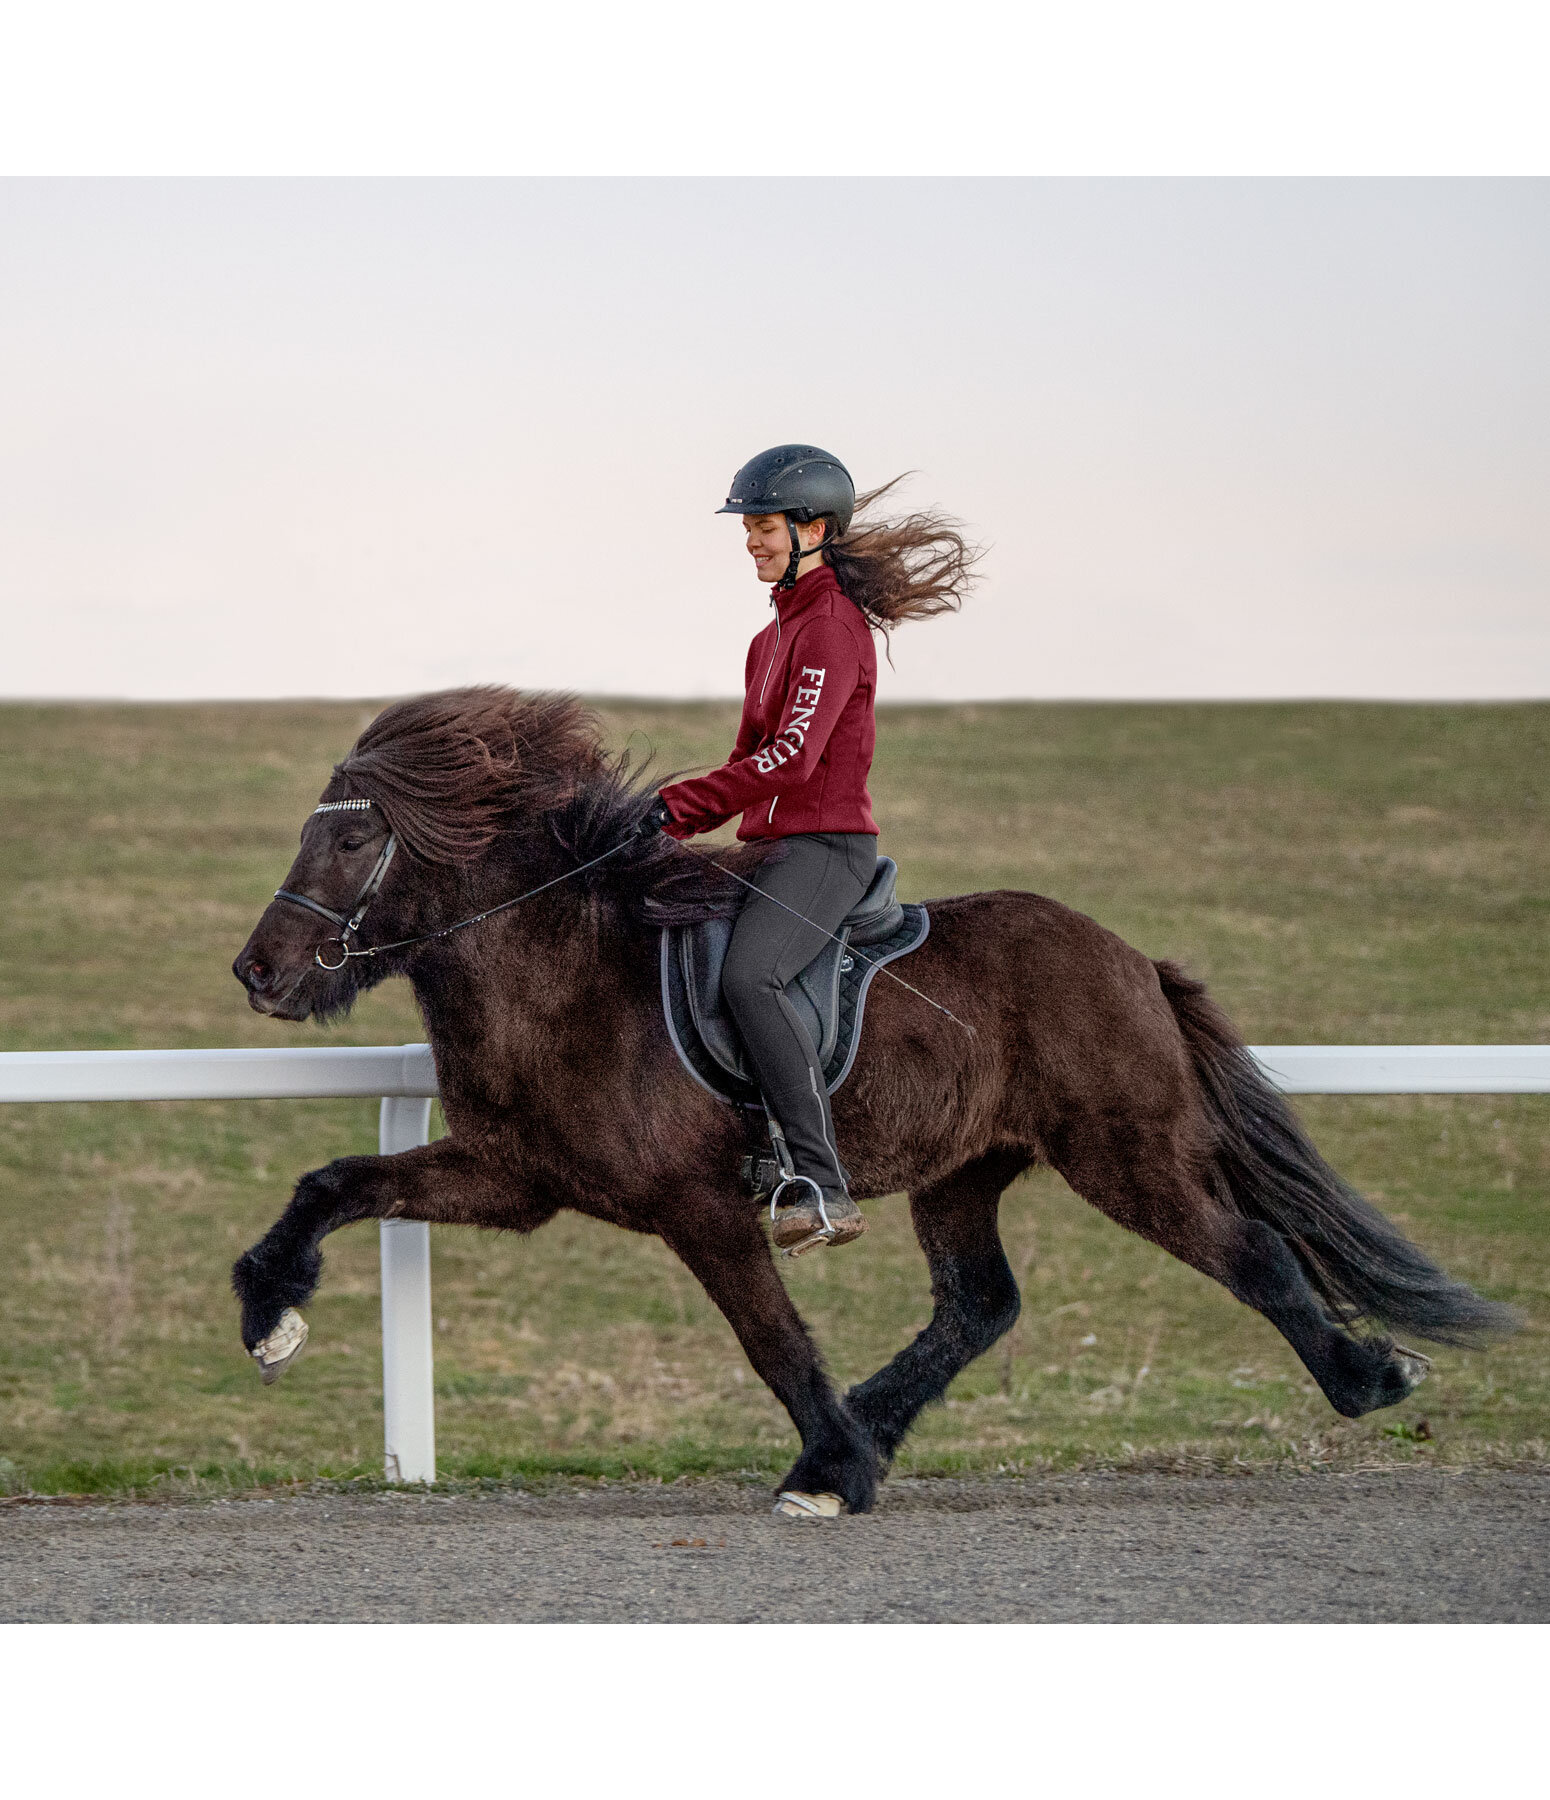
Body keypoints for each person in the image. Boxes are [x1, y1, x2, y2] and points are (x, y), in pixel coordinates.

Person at [644, 445, 978, 1253]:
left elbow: (789, 762)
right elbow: (745, 761)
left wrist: (671, 808)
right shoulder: (772, 639)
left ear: (814, 529)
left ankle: (820, 1186)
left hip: (824, 849)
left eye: (762, 528)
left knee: (752, 978)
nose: (751, 544)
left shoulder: (830, 626)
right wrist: (661, 826)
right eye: (748, 529)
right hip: (768, 849)